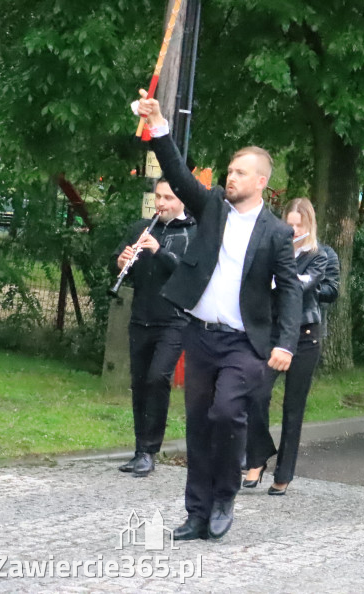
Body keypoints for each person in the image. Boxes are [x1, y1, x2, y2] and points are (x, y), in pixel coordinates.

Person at [136, 92, 301, 542]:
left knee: (227, 413)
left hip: (245, 342)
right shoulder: (211, 209)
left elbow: (289, 290)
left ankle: (225, 495)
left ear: (262, 180)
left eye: (241, 172)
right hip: (200, 335)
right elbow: (176, 173)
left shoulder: (277, 233)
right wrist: (159, 125)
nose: (231, 177)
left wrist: (285, 342)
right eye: (230, 170)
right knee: (197, 423)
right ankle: (196, 511)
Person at [243, 198, 339, 496]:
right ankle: (257, 456)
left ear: (309, 225)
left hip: (305, 332)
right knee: (255, 393)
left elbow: (304, 286)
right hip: (272, 331)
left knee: (293, 407)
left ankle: (284, 473)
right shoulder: (272, 250)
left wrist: (284, 278)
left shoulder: (319, 254)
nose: (294, 229)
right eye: (290, 224)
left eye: (300, 225)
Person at [113, 179, 196, 478]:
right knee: (140, 383)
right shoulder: (142, 227)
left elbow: (189, 272)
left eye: (168, 198)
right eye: (158, 196)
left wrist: (159, 251)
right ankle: (139, 450)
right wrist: (122, 262)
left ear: (182, 199)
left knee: (157, 377)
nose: (161, 203)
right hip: (141, 316)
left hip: (174, 319)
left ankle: (150, 450)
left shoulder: (192, 231)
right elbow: (120, 265)